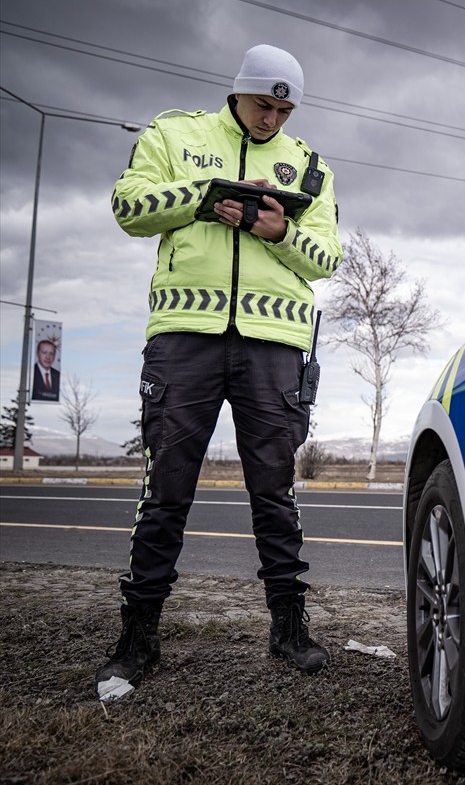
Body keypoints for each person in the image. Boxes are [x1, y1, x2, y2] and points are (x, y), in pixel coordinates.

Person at [97, 44, 343, 693]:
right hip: (185, 340)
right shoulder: (173, 133)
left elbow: (327, 260)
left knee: (276, 495)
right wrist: (205, 199)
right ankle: (136, 639)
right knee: (165, 494)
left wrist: (278, 232)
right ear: (239, 91)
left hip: (275, 346)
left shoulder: (309, 165)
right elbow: (129, 208)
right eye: (265, 103)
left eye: (286, 109)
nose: (274, 120)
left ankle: (289, 630)